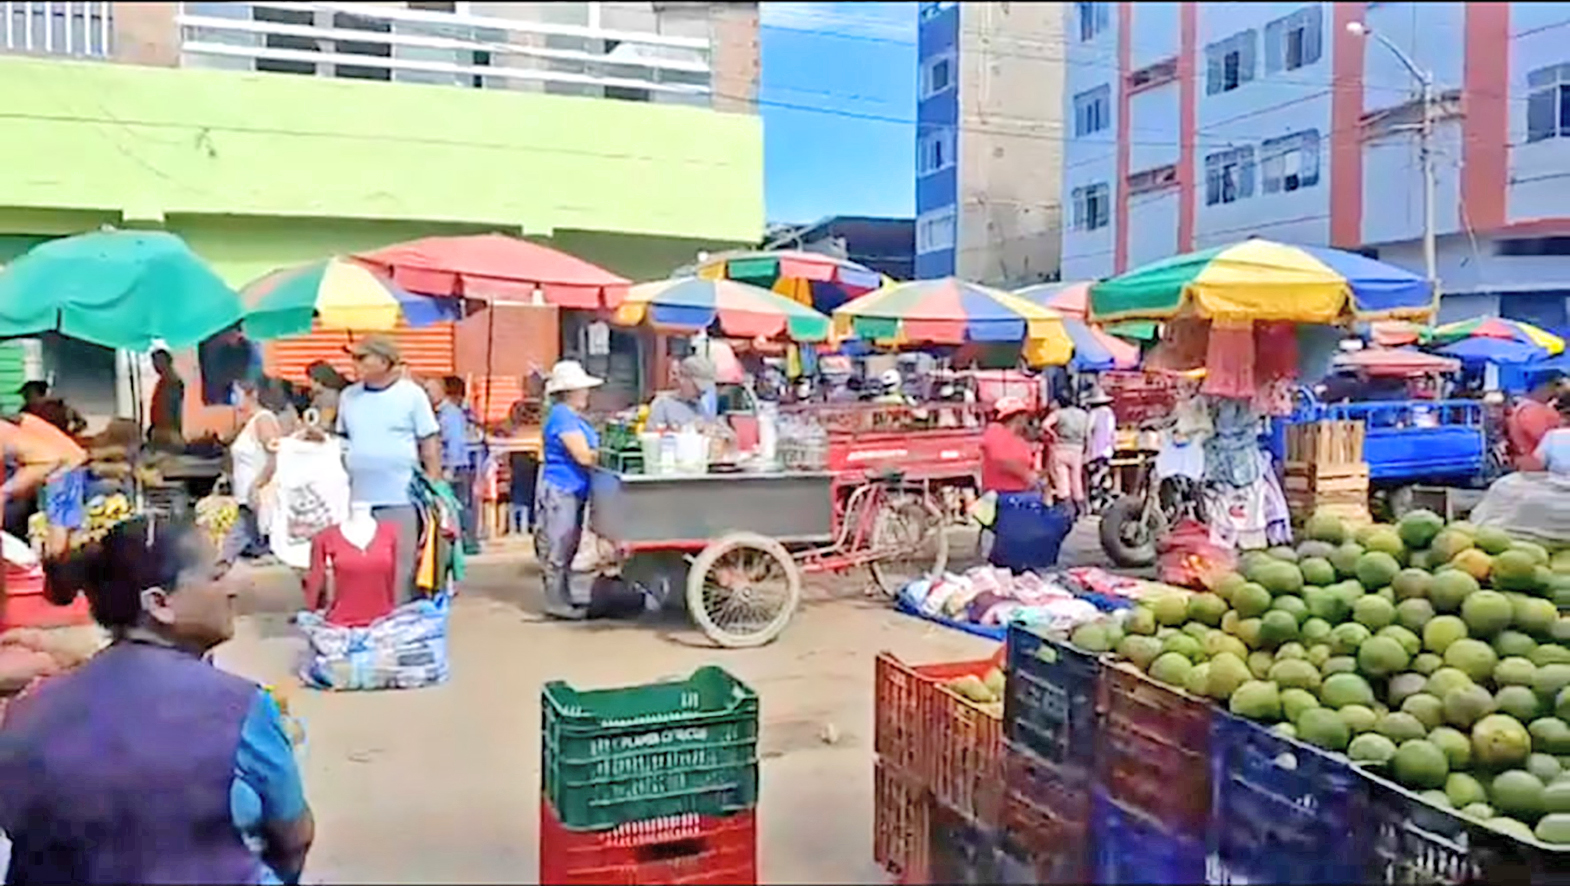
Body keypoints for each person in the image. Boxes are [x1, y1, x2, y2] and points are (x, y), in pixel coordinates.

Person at [0, 514, 315, 884]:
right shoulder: (241, 707)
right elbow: (293, 839)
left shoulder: (28, 713)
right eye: (217, 575)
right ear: (160, 603)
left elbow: (19, 827)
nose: (233, 589)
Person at [335, 335, 441, 603]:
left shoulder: (412, 395)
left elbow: (429, 441)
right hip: (358, 497)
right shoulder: (348, 397)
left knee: (401, 565)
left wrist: (434, 482)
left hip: (401, 495)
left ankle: (399, 617)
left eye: (361, 358)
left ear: (383, 361)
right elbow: (342, 438)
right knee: (362, 561)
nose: (354, 364)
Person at [535, 360, 602, 620]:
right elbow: (583, 456)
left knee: (568, 544)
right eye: (582, 389)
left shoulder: (571, 416)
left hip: (573, 489)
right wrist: (602, 456)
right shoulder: (562, 416)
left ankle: (564, 596)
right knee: (558, 545)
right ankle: (555, 602)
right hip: (561, 489)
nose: (586, 393)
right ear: (570, 392)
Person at [981, 397, 1069, 572]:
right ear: (1017, 417)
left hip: (1021, 495)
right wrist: (1027, 476)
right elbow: (1001, 459)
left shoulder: (1017, 439)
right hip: (1004, 497)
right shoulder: (995, 432)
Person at [0, 412, 89, 554]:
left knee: (58, 527)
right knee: (68, 526)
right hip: (69, 461)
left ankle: (57, 566)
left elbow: (45, 460)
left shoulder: (5, 432)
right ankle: (70, 564)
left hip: (58, 467)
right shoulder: (21, 421)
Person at [221, 379, 284, 565]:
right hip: (246, 501)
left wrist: (258, 484)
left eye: (237, 393)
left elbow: (275, 456)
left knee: (241, 547)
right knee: (234, 546)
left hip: (259, 499)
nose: (233, 399)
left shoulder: (263, 420)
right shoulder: (248, 423)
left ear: (253, 394)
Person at [424, 375, 480, 555]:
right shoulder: (436, 413)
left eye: (430, 391)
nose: (427, 395)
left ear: (441, 391)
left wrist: (450, 469)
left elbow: (455, 442)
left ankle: (469, 542)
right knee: (453, 505)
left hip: (456, 466)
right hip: (447, 465)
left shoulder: (450, 414)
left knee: (461, 504)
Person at [1043, 389, 1090, 518]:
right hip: (1077, 449)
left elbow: (1045, 425)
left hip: (1061, 447)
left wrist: (1053, 435)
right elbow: (1088, 432)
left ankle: (1067, 509)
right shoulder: (1083, 415)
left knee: (1062, 480)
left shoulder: (1058, 414)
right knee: (1076, 479)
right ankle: (1081, 508)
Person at [1506, 377, 1565, 472]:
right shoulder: (1533, 410)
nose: (1555, 392)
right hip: (1538, 468)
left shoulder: (1527, 408)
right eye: (1553, 386)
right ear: (1542, 387)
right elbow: (1547, 439)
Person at [646, 354, 719, 430]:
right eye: (697, 387)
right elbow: (652, 436)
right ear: (683, 379)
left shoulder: (700, 406)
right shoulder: (662, 405)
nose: (701, 392)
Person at [1085, 387, 1118, 514]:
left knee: (1095, 478)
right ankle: (1104, 502)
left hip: (1095, 450)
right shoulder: (1110, 413)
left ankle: (1096, 504)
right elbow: (1112, 433)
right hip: (1107, 450)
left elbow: (1088, 432)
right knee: (1103, 476)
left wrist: (1087, 449)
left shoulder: (1093, 414)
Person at [148, 348, 186, 450]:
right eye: (154, 363)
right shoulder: (163, 381)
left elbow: (176, 410)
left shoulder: (173, 382)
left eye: (158, 362)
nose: (155, 366)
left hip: (167, 431)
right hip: (160, 428)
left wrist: (174, 432)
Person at [17, 380, 86, 436]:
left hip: (37, 446)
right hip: (60, 444)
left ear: (29, 393)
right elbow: (82, 423)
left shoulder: (26, 410)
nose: (24, 397)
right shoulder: (61, 406)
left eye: (25, 394)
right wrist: (70, 434)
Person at [302, 361, 348, 429]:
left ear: (318, 380)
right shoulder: (318, 394)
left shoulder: (330, 395)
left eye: (309, 379)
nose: (309, 383)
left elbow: (325, 423)